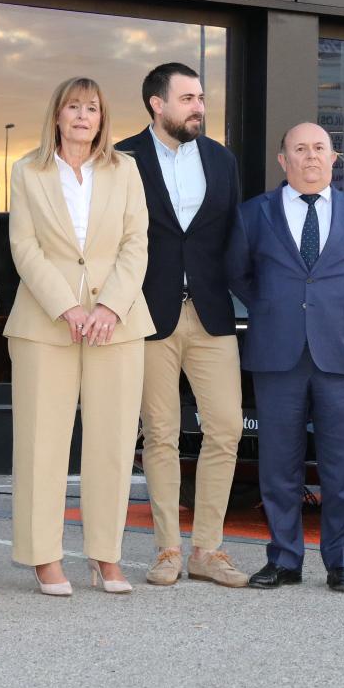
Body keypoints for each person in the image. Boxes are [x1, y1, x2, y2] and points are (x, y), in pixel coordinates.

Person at [4, 77, 154, 595]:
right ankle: (44, 557)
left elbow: (137, 243)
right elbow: (23, 247)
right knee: (41, 444)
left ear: (102, 118)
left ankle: (106, 555)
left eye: (92, 108)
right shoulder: (28, 170)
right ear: (57, 115)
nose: (83, 116)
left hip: (118, 322)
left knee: (113, 443)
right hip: (45, 323)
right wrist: (65, 305)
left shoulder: (125, 169)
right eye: (73, 106)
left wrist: (110, 305)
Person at [226, 123, 344, 594]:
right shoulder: (253, 214)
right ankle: (284, 559)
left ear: (334, 159)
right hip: (277, 354)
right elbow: (238, 274)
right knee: (279, 465)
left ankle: (342, 562)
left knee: (343, 466)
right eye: (300, 149)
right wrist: (275, 309)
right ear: (284, 160)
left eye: (319, 148)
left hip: (338, 353)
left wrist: (333, 313)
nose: (311, 156)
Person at [114, 63, 248, 589]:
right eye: (188, 98)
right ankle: (168, 549)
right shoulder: (123, 157)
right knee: (161, 433)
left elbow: (232, 235)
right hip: (149, 314)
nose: (199, 107)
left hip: (212, 315)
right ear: (157, 104)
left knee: (226, 428)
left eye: (201, 98)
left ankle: (207, 550)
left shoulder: (221, 159)